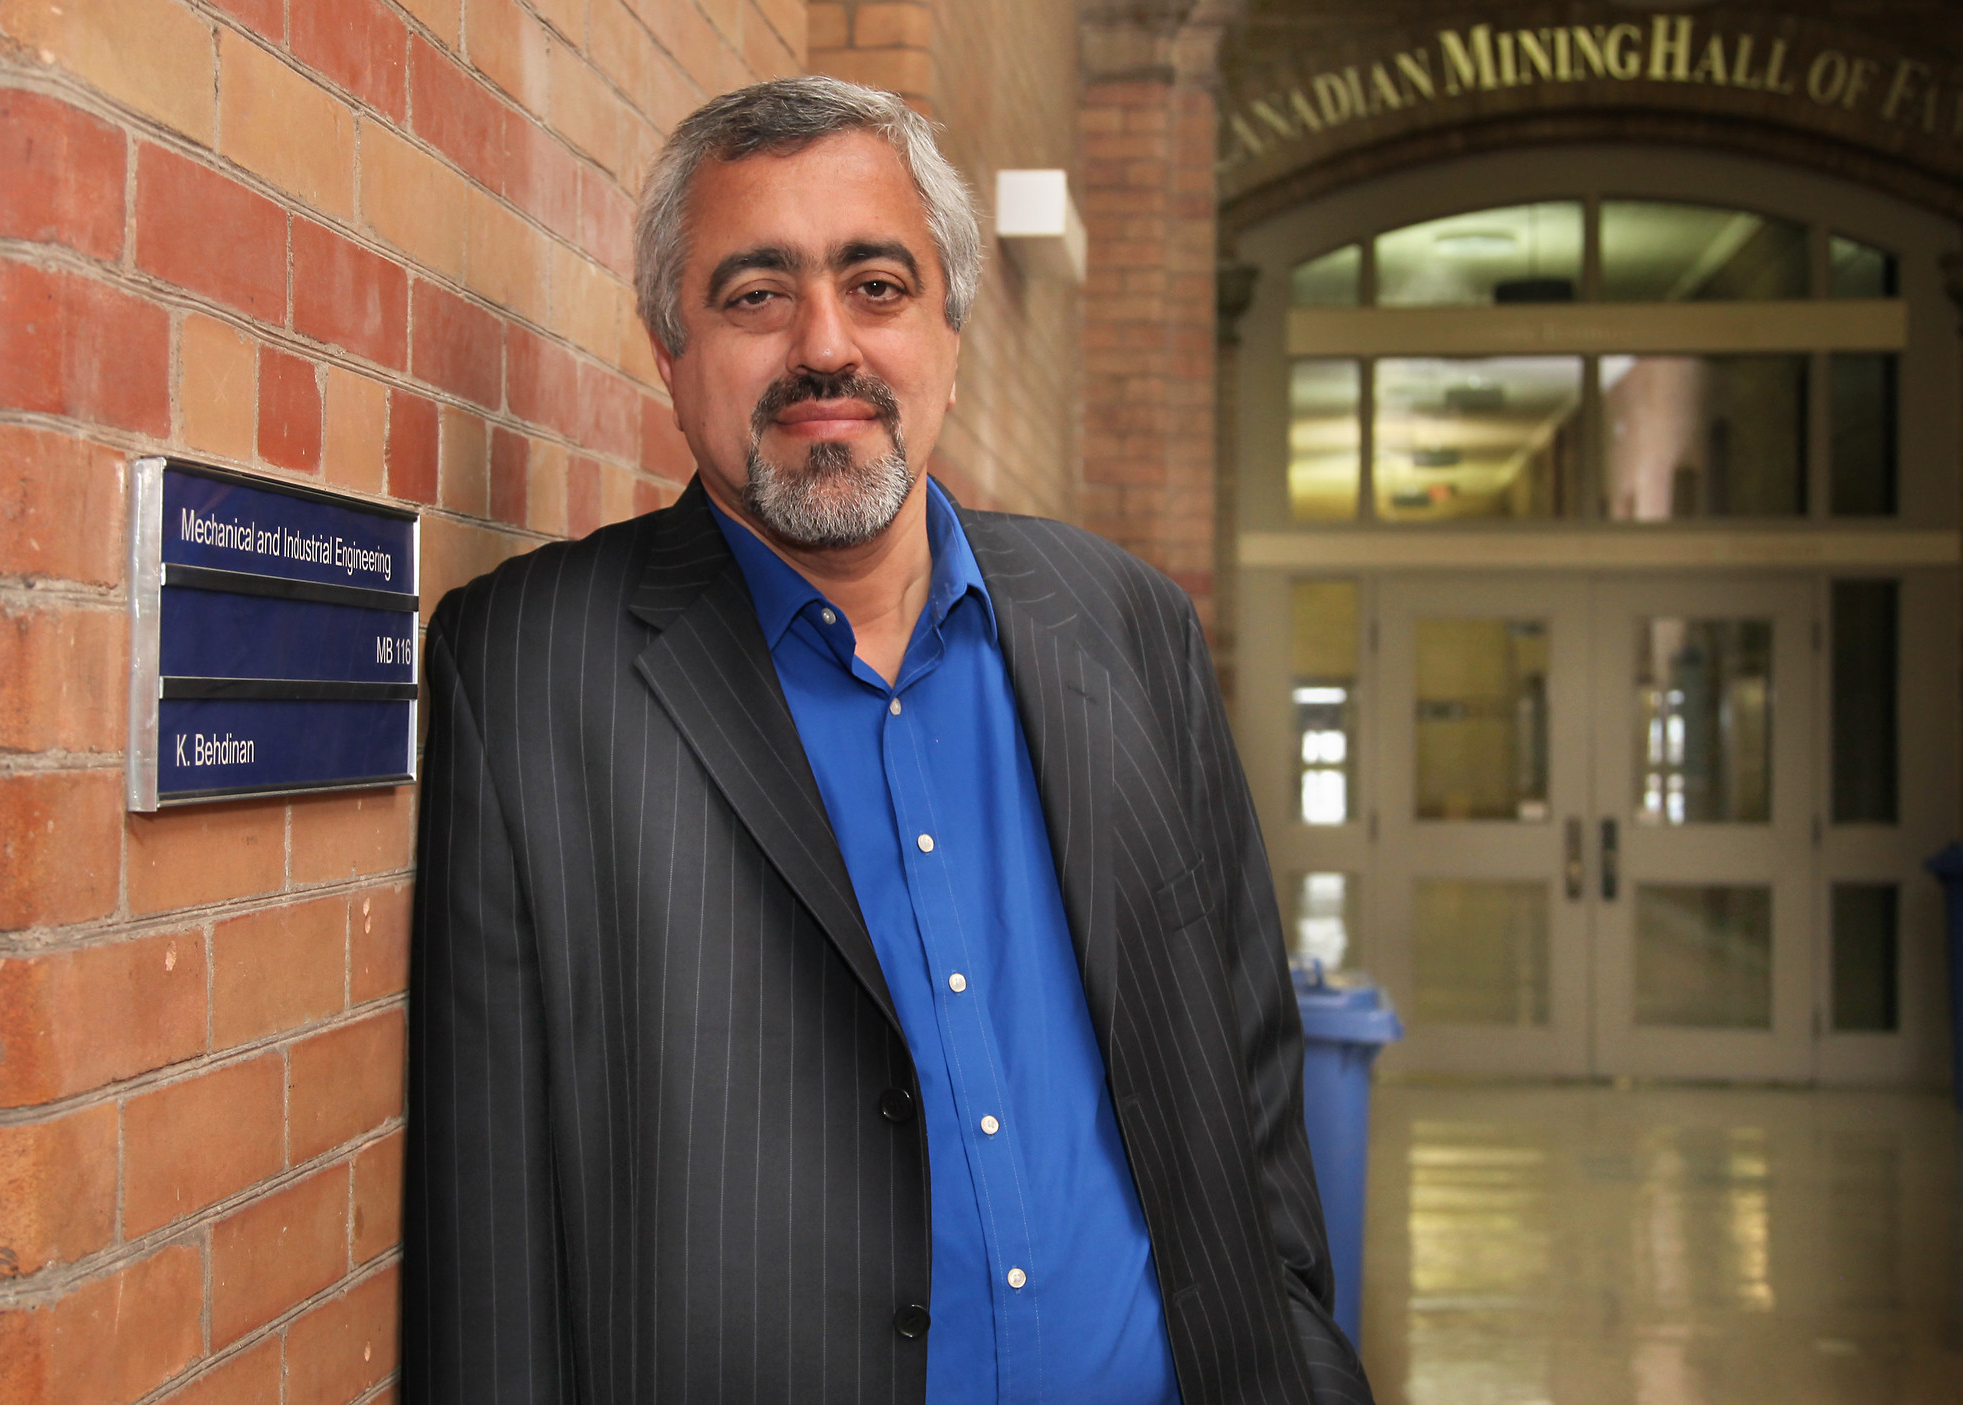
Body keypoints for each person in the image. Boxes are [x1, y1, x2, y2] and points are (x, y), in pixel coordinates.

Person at [405, 75, 1374, 1405]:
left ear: (951, 331)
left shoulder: (1130, 627)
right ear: (667, 346)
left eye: (878, 285)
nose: (825, 346)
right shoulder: (527, 672)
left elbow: (1249, 1088)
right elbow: (490, 1233)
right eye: (755, 293)